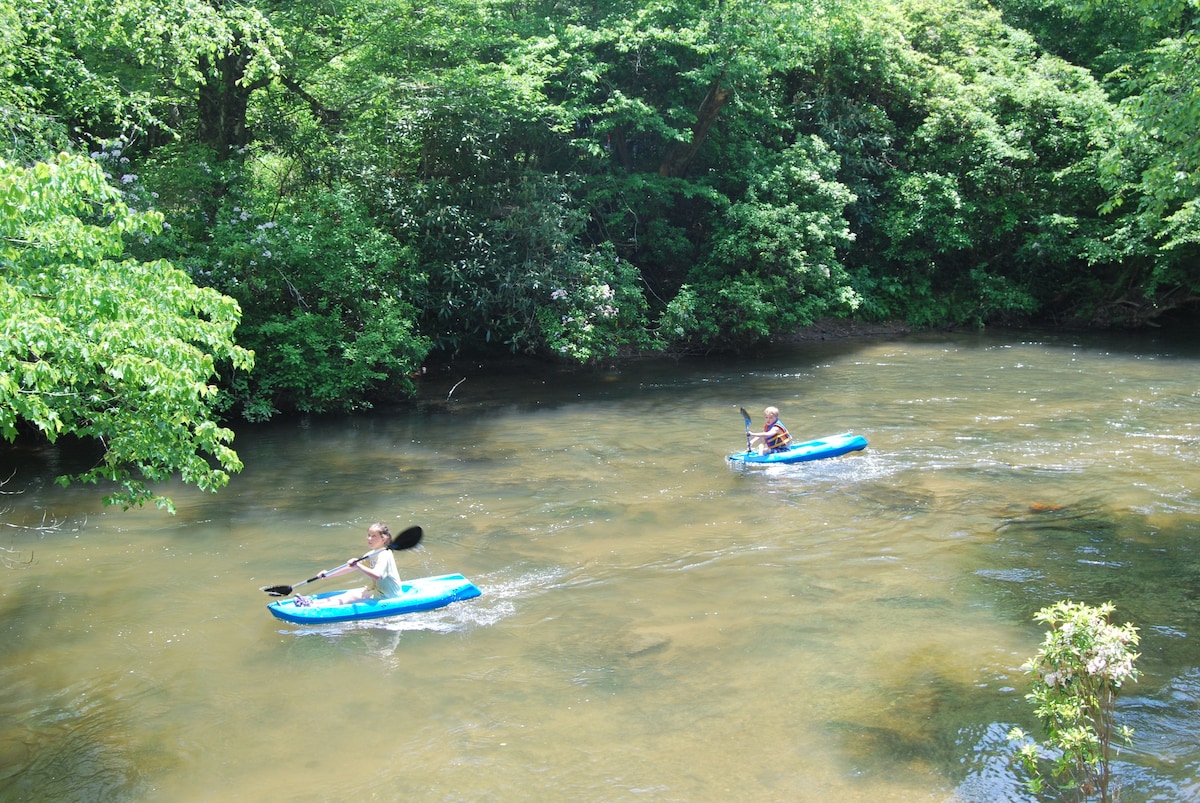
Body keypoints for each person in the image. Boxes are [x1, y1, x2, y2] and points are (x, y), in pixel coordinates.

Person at [294, 522, 404, 607]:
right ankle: (312, 603)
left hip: (388, 595)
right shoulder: (372, 553)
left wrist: (358, 566)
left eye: (373, 536)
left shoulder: (384, 554)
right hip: (376, 590)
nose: (369, 539)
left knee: (351, 597)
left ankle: (311, 606)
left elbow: (377, 575)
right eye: (368, 535)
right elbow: (349, 568)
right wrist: (328, 574)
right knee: (347, 595)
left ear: (383, 539)